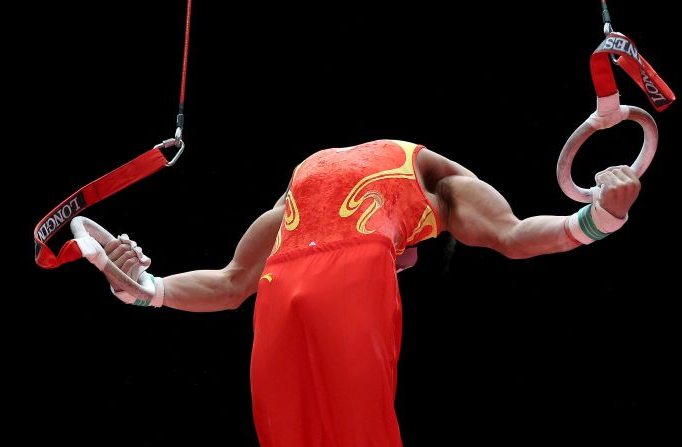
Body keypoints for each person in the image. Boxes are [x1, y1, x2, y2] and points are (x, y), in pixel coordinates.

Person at [101, 139, 641, 447]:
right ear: (415, 251)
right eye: (403, 269)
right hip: (282, 287)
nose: (400, 269)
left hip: (325, 282)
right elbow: (228, 283)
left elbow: (516, 235)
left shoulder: (442, 191)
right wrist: (145, 286)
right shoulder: (327, 188)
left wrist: (598, 218)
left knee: (358, 433)